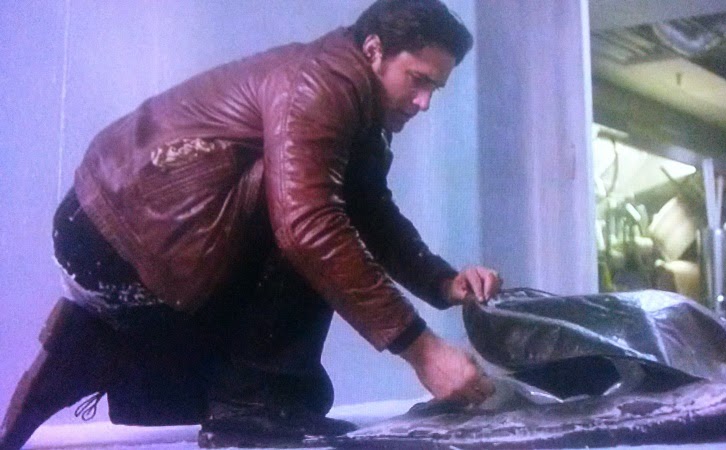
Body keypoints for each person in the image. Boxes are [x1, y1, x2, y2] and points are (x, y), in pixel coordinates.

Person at [0, 0, 501, 448]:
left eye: (435, 88)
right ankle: (251, 406)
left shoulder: (352, 105)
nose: (424, 102)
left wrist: (443, 282)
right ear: (373, 51)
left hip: (120, 235)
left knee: (301, 381)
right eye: (418, 80)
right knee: (310, 226)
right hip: (116, 238)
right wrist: (423, 352)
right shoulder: (320, 84)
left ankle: (100, 351)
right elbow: (308, 225)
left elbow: (372, 210)